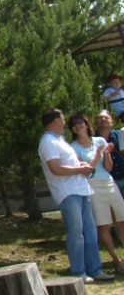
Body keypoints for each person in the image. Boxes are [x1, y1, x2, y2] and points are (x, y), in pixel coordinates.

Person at [37, 109, 113, 283]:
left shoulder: (60, 140)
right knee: (76, 233)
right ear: (55, 121)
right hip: (68, 193)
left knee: (90, 231)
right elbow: (55, 168)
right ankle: (79, 272)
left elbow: (69, 164)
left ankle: (95, 269)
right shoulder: (48, 142)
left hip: (81, 189)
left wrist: (81, 164)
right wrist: (80, 169)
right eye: (63, 120)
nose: (65, 123)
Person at [68, 113, 124, 273]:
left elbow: (109, 168)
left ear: (86, 124)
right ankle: (117, 261)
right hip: (92, 185)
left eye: (80, 122)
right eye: (73, 124)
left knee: (122, 221)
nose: (77, 125)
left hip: (108, 181)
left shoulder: (99, 141)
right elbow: (85, 171)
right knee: (103, 225)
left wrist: (106, 154)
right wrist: (99, 153)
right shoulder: (74, 147)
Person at [94, 109, 124, 196]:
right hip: (108, 182)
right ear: (95, 122)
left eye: (106, 117)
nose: (103, 119)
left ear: (112, 121)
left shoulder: (120, 135)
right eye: (100, 118)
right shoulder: (92, 140)